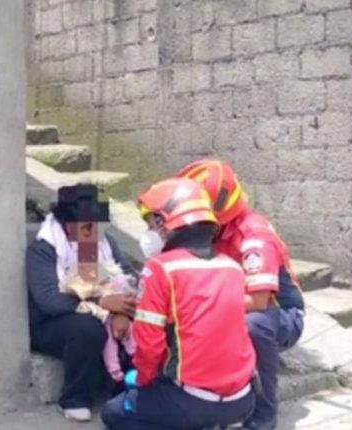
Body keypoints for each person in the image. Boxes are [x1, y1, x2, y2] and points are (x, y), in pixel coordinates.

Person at [101, 177, 257, 430]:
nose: (149, 232)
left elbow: (149, 344)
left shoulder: (161, 268)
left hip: (192, 402)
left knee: (113, 412)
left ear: (164, 223)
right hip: (243, 399)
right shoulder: (232, 267)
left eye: (150, 223)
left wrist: (143, 380)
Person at [177, 160, 305, 430]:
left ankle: (264, 412)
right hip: (232, 305)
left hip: (279, 314)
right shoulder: (208, 233)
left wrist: (205, 307)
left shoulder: (253, 235)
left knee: (253, 325)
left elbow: (259, 302)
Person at [26, 184, 137, 422]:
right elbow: (50, 301)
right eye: (86, 226)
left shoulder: (101, 243)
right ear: (67, 225)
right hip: (52, 323)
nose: (93, 231)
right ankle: (75, 398)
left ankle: (128, 388)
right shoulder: (44, 248)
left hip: (99, 310)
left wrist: (122, 311)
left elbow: (126, 276)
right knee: (87, 329)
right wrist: (104, 304)